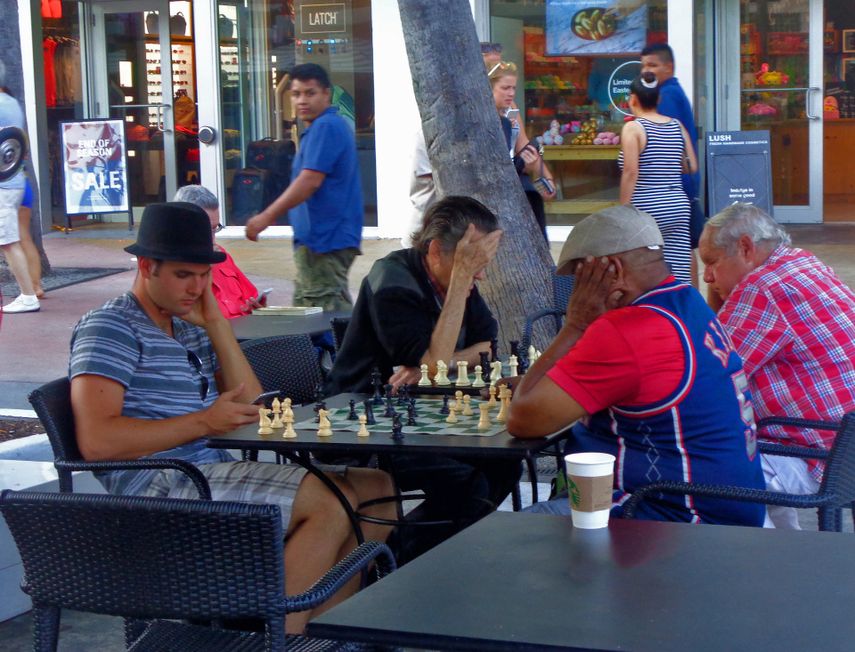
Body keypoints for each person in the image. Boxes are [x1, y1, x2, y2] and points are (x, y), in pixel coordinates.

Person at [69, 202, 394, 633]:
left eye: (205, 276)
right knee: (330, 500)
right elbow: (97, 441)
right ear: (146, 266)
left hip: (207, 472)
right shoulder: (110, 327)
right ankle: (285, 640)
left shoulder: (187, 326)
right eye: (185, 275)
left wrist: (216, 323)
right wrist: (204, 422)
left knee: (379, 488)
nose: (197, 287)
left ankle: (325, 632)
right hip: (157, 486)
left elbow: (255, 404)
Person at [508, 204, 765, 526]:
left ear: (611, 270)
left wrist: (576, 324)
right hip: (730, 509)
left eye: (579, 277)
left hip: (671, 515)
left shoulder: (627, 330)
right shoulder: (687, 301)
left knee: (509, 533)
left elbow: (523, 420)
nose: (574, 290)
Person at [326, 196, 521, 561]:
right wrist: (434, 363)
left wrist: (436, 364)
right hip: (366, 422)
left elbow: (486, 346)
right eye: (471, 264)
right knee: (464, 479)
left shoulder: (455, 282)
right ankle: (404, 561)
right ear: (435, 251)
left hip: (427, 417)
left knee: (504, 461)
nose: (479, 275)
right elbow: (433, 368)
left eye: (480, 265)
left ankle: (422, 554)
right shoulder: (392, 278)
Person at [699, 203, 855, 529]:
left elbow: (704, 376)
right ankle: (787, 555)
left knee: (708, 472)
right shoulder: (802, 262)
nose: (706, 276)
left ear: (745, 248)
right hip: (842, 441)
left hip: (825, 453)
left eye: (712, 263)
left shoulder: (763, 288)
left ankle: (763, 570)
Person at [245, 63, 362, 311]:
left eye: (310, 93)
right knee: (315, 310)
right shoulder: (322, 128)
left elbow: (309, 181)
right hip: (321, 241)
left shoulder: (326, 127)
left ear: (326, 94)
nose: (302, 100)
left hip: (325, 241)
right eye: (296, 94)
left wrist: (266, 216)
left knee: (322, 316)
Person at [619, 71, 697, 284]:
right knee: (679, 269)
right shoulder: (676, 126)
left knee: (645, 271)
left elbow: (630, 172)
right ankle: (681, 310)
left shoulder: (633, 128)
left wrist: (623, 209)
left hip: (647, 208)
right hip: (678, 206)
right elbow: (691, 165)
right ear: (658, 99)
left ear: (633, 99)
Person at [641, 42, 703, 286]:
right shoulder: (673, 92)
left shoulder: (665, 96)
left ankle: (687, 300)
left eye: (653, 65)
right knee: (684, 247)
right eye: (644, 65)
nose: (647, 70)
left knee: (676, 250)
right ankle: (691, 300)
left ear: (669, 67)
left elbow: (666, 146)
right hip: (681, 185)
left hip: (673, 185)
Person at [487, 60, 556, 241]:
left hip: (516, 171)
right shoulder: (482, 114)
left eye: (513, 88)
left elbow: (523, 143)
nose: (510, 93)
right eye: (505, 88)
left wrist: (545, 177)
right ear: (489, 88)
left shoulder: (510, 109)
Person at [174, 184, 264, 319]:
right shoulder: (172, 266)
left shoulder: (221, 254)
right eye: (204, 229)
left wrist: (256, 308)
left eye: (215, 229)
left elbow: (252, 297)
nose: (212, 237)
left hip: (247, 330)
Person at [0, 60, 40, 314]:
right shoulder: (11, 103)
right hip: (14, 180)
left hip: (4, 185)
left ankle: (28, 295)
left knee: (8, 241)